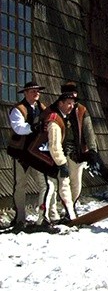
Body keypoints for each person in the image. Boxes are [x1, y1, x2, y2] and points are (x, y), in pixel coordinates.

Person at [6, 81, 54, 230]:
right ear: (25, 93)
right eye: (33, 91)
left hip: (38, 151)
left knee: (44, 184)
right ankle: (20, 218)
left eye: (38, 91)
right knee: (20, 184)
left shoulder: (43, 108)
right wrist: (34, 127)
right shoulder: (18, 109)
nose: (36, 94)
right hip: (21, 152)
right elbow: (19, 128)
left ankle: (43, 217)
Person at [29, 91, 79, 223]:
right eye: (68, 103)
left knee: (61, 184)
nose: (71, 107)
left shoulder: (60, 117)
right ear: (60, 103)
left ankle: (69, 214)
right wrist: (62, 164)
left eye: (73, 104)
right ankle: (42, 219)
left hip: (48, 156)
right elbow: (54, 145)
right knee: (48, 186)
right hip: (40, 155)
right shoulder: (54, 120)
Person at [59, 82, 102, 212]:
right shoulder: (58, 108)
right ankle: (66, 209)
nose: (72, 96)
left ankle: (72, 205)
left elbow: (89, 131)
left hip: (77, 151)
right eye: (69, 94)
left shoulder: (82, 110)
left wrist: (93, 150)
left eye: (74, 93)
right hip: (61, 149)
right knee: (63, 181)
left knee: (76, 181)